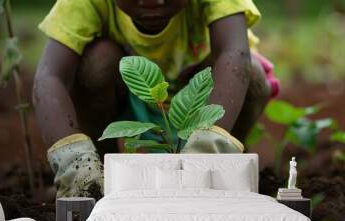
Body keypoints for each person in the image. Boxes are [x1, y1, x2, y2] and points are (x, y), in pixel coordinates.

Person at [33, 0, 279, 198]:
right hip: (128, 102)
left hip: (208, 103)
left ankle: (222, 173)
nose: (152, 2)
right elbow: (49, 77)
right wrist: (73, 162)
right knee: (97, 62)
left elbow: (235, 55)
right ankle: (96, 179)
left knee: (253, 77)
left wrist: (208, 148)